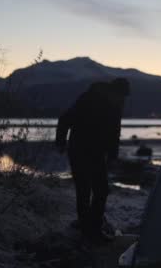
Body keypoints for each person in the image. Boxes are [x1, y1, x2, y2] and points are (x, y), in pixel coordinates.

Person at [56, 78, 130, 242]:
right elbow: (64, 119)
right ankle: (86, 230)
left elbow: (114, 133)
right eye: (120, 96)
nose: (122, 100)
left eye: (124, 98)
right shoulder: (88, 99)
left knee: (101, 190)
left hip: (97, 153)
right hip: (78, 151)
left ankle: (94, 228)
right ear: (112, 92)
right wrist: (60, 143)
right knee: (84, 191)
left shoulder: (116, 106)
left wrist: (112, 156)